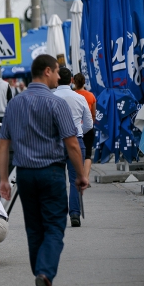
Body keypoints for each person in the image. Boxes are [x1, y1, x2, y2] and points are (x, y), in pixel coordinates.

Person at [0, 54, 88, 286]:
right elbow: (72, 143)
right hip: (51, 173)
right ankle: (45, 274)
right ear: (47, 71)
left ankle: (40, 277)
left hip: (25, 175)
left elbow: (3, 144)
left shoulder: (15, 104)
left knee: (34, 229)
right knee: (54, 227)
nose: (59, 77)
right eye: (57, 72)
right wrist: (81, 175)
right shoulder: (56, 104)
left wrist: (4, 179)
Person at [53, 67, 93, 227]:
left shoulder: (51, 98)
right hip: (76, 141)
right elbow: (89, 123)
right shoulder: (79, 98)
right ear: (71, 80)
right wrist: (78, 133)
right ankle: (75, 214)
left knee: (57, 180)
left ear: (56, 80)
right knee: (77, 179)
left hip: (56, 142)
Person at [73, 73, 97, 182]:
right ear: (84, 82)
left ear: (74, 82)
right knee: (87, 154)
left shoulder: (72, 95)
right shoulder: (91, 96)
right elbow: (93, 114)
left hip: (75, 128)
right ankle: (86, 178)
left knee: (76, 153)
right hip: (88, 127)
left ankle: (79, 176)